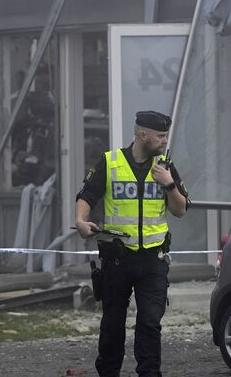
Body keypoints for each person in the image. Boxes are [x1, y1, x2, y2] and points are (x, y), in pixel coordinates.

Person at [75, 110, 189, 377]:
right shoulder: (110, 162)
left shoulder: (165, 167)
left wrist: (169, 184)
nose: (164, 141)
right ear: (142, 135)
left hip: (153, 259)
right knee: (113, 322)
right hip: (118, 257)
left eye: (165, 136)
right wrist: (81, 221)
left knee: (150, 323)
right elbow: (87, 195)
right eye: (160, 136)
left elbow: (181, 210)